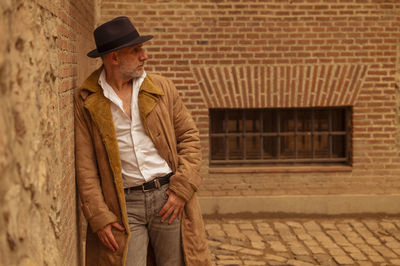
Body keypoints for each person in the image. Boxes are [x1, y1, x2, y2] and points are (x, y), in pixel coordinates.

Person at [74, 16, 211, 266]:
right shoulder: (88, 99)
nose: (144, 56)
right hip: (124, 206)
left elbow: (190, 138)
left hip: (168, 197)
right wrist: (99, 216)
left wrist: (181, 190)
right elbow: (85, 166)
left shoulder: (161, 88)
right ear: (114, 58)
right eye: (136, 50)